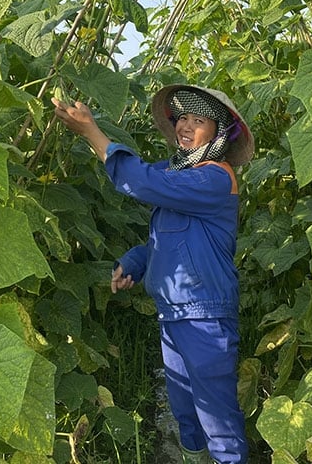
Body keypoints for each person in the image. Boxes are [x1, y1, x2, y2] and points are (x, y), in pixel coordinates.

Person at [52, 84, 254, 464]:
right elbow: (168, 240)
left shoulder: (213, 178)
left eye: (199, 120)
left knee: (218, 419)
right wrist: (134, 261)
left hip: (204, 315)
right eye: (182, 118)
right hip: (175, 313)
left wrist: (93, 133)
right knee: (186, 413)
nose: (186, 126)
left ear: (220, 133)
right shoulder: (182, 177)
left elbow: (143, 181)